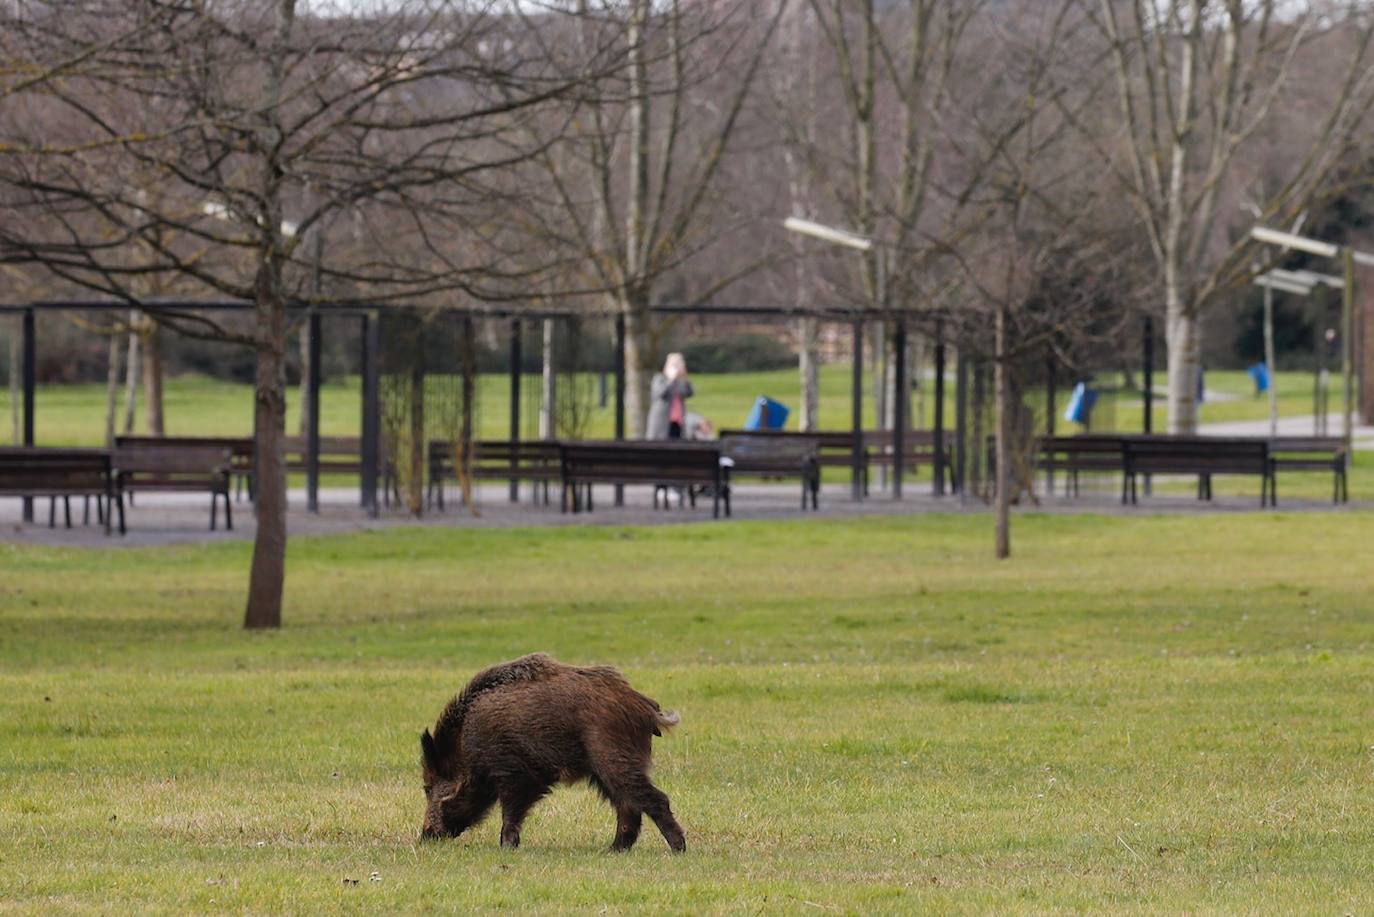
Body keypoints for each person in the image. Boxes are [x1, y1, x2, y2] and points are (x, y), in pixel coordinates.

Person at [647, 353, 694, 440]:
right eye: (674, 365)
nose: (677, 368)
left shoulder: (680, 382)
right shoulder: (659, 378)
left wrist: (685, 377)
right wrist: (670, 380)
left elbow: (689, 393)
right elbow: (661, 393)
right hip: (662, 423)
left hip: (678, 422)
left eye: (679, 365)